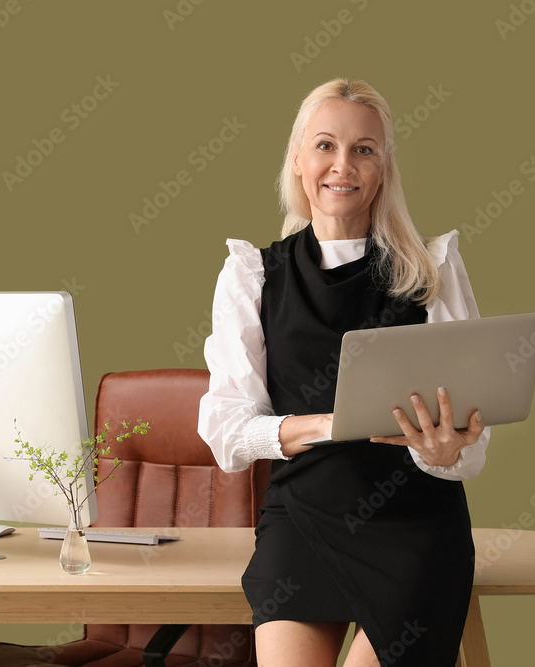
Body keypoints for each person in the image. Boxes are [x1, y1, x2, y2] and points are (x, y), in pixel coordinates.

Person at [197, 78, 491, 667]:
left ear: (383, 169)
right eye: (325, 145)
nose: (343, 165)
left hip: (416, 526)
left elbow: (474, 452)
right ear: (299, 161)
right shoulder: (252, 274)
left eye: (364, 149)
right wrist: (328, 425)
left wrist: (441, 452)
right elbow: (226, 432)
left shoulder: (431, 268)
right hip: (302, 520)